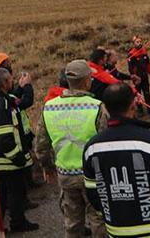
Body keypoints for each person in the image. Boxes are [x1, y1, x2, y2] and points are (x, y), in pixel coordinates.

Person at [83, 83, 150, 237]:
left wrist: (109, 215)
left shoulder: (92, 148)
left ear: (105, 109)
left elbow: (92, 192)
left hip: (117, 231)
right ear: (133, 105)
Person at [35, 59, 108, 238]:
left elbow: (41, 145)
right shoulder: (96, 107)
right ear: (87, 81)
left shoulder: (49, 108)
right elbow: (106, 142)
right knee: (99, 220)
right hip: (94, 177)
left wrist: (47, 167)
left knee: (72, 223)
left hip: (66, 176)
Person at [0, 68, 39, 232]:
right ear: (4, 83)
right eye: (10, 80)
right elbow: (4, 138)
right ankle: (18, 223)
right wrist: (17, 157)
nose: (13, 81)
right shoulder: (2, 104)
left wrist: (22, 88)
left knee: (1, 196)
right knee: (16, 193)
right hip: (8, 159)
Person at [128, 36, 150, 115]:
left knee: (147, 92)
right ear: (134, 43)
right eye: (137, 42)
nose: (139, 43)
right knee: (138, 94)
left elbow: (147, 64)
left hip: (144, 76)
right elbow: (130, 68)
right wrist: (134, 77)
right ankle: (140, 110)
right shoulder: (131, 54)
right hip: (137, 78)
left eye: (140, 41)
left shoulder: (144, 51)